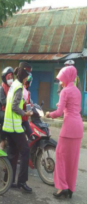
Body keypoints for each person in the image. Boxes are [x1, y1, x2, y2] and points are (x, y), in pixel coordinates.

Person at [45, 66, 83, 199]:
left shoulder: (65, 91)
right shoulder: (78, 91)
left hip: (69, 128)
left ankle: (62, 188)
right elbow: (73, 107)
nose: (60, 82)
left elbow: (58, 113)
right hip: (78, 128)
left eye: (61, 79)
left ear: (67, 78)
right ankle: (70, 188)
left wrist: (49, 114)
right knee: (73, 160)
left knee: (60, 156)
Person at [2, 62, 33, 193]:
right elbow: (15, 106)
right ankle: (21, 182)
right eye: (27, 76)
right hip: (15, 127)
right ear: (23, 75)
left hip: (8, 126)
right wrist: (25, 113)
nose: (27, 79)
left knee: (13, 153)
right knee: (25, 151)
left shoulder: (13, 84)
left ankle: (7, 181)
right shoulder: (19, 87)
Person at [0, 67, 14, 149]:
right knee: (7, 118)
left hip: (8, 109)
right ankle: (2, 141)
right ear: (5, 79)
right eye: (8, 78)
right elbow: (4, 102)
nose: (11, 79)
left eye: (11, 77)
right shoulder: (1, 89)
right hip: (0, 111)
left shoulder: (12, 88)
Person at [22, 74, 33, 138]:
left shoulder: (27, 92)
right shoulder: (20, 90)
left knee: (30, 135)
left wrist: (31, 106)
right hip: (19, 119)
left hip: (25, 118)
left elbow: (29, 103)